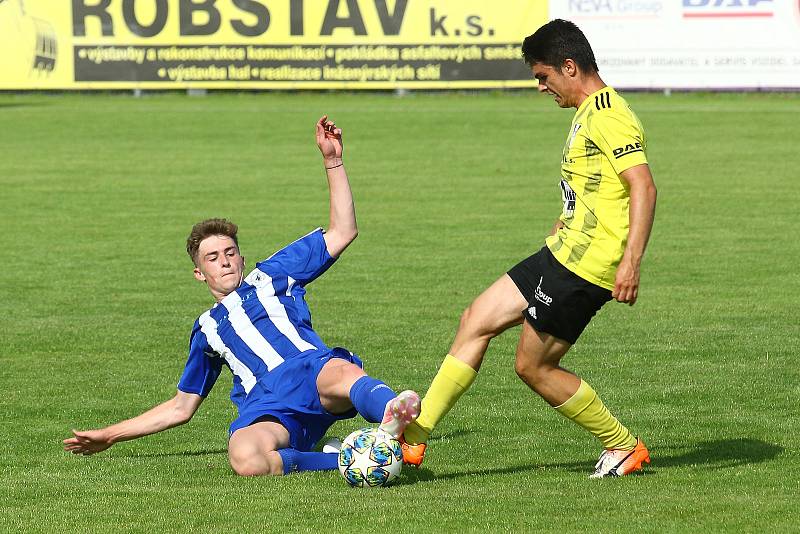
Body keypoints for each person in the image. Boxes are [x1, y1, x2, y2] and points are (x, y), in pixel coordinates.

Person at [63, 116, 421, 476]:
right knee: (245, 457)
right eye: (213, 258)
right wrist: (110, 434)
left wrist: (333, 161)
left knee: (341, 372)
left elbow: (343, 231)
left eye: (230, 253)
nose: (225, 262)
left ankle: (395, 418)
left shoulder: (271, 276)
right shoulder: (207, 329)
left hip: (311, 374)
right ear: (199, 273)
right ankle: (345, 458)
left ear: (243, 258)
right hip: (266, 405)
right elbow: (181, 408)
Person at [399, 19, 657, 478]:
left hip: (585, 267)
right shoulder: (588, 112)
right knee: (476, 318)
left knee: (533, 367)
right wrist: (568, 216)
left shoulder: (610, 114)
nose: (541, 87)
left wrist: (631, 262)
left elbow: (642, 185)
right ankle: (413, 441)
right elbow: (596, 187)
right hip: (561, 251)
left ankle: (623, 446)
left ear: (570, 66)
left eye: (543, 76)